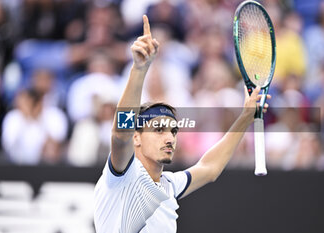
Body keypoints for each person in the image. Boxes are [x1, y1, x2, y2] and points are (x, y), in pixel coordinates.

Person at [94, 15, 270, 233]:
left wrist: (245, 117)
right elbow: (120, 135)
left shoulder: (169, 185)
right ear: (136, 137)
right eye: (158, 130)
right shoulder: (122, 176)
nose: (169, 138)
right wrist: (139, 69)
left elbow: (210, 168)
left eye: (173, 131)